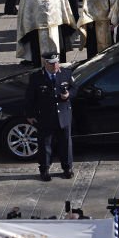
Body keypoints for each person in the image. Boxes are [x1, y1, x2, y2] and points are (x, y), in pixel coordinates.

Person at [25, 53, 77, 182]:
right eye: (52, 63)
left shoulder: (66, 73)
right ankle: (45, 170)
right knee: (45, 145)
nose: (55, 66)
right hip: (45, 116)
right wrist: (30, 115)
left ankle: (67, 168)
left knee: (65, 144)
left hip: (63, 115)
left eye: (56, 62)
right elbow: (29, 98)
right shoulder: (36, 78)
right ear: (45, 63)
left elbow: (75, 88)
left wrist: (68, 94)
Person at [16, 0, 80, 66]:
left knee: (58, 54)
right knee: (39, 57)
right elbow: (25, 10)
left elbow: (63, 3)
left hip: (55, 26)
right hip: (37, 29)